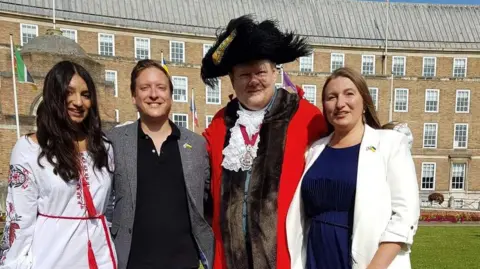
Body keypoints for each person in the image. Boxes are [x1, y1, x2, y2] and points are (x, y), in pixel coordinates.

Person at [202, 15, 327, 268]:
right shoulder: (219, 123)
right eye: (244, 74)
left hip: (287, 257)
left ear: (274, 72)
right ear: (232, 80)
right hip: (229, 258)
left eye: (260, 71)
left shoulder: (307, 117)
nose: (253, 80)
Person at [287, 67, 420, 269]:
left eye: (349, 94)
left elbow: (405, 215)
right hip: (315, 257)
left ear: (364, 101)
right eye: (331, 97)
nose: (340, 104)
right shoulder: (315, 150)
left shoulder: (390, 144)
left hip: (367, 260)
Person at [0, 61, 117, 268]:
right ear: (54, 96)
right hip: (53, 257)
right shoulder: (29, 149)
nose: (78, 102)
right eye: (69, 92)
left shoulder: (103, 147)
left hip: (100, 258)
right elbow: (19, 221)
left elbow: (107, 207)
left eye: (86, 95)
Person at [107, 59, 213, 269]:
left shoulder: (196, 144)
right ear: (134, 97)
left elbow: (208, 199)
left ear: (170, 96)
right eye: (145, 88)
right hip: (131, 262)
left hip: (185, 263)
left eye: (161, 87)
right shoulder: (114, 141)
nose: (153, 94)